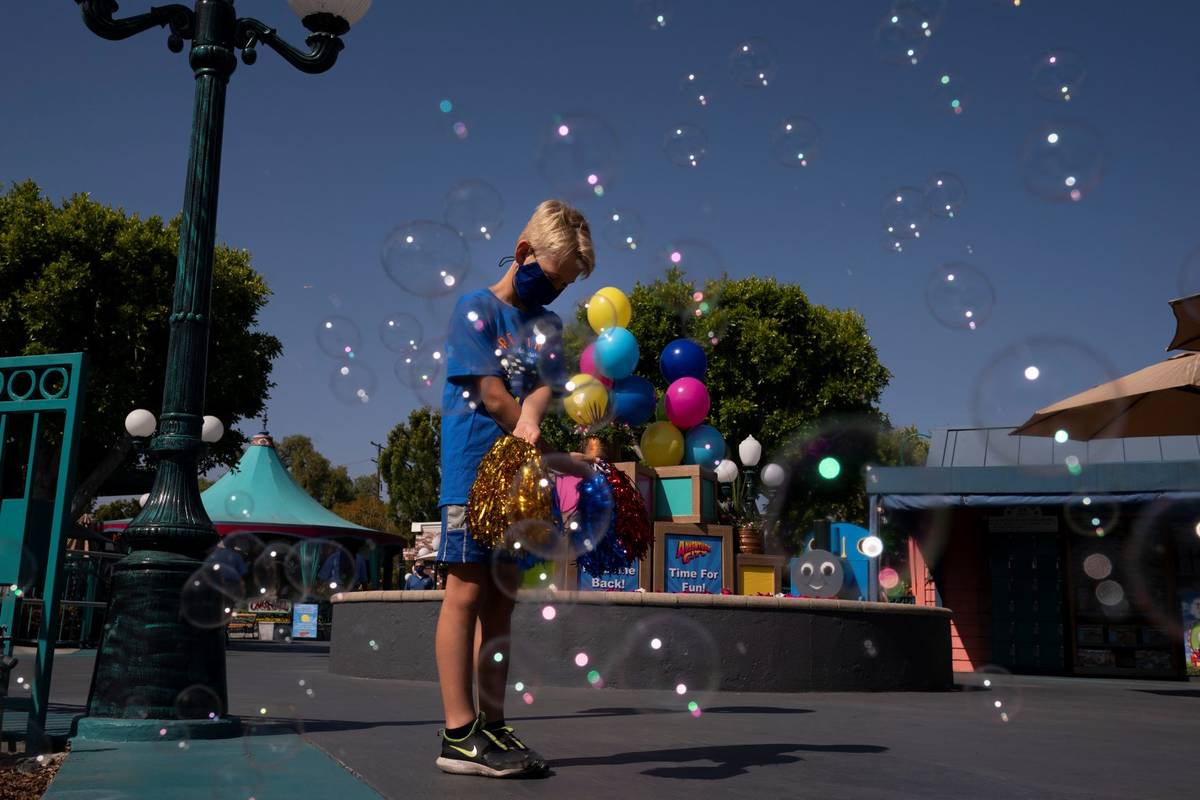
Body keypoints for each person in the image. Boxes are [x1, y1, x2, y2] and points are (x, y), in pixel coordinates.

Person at [434, 200, 594, 778]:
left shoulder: (545, 327)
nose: (554, 293)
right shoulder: (475, 309)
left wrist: (534, 427)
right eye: (553, 278)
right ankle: (457, 733)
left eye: (566, 285)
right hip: (471, 473)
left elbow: (543, 389)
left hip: (519, 480)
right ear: (524, 253)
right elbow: (493, 394)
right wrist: (534, 437)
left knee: (501, 601)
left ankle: (492, 725)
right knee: (466, 592)